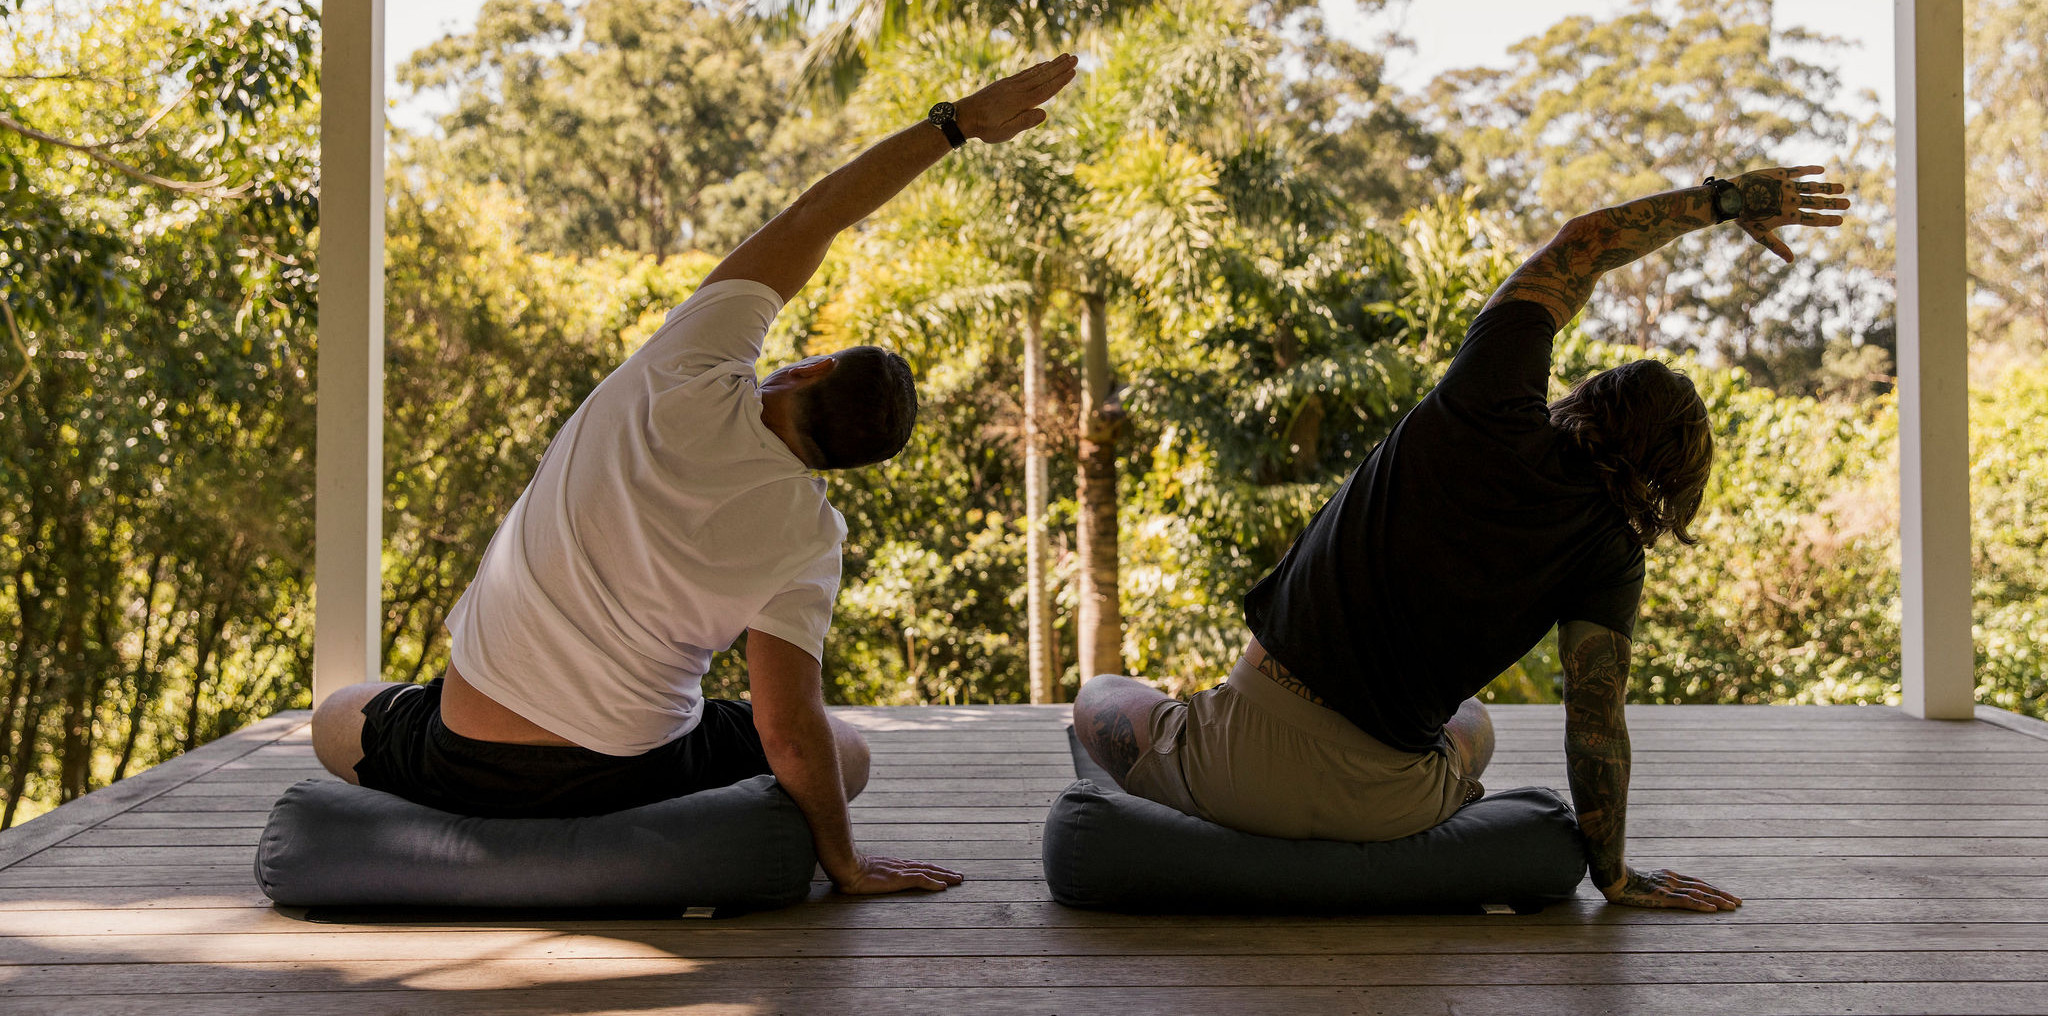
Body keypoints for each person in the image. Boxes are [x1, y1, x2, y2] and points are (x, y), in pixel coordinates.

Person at [312, 54, 1078, 897]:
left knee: (338, 716)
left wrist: (955, 123)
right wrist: (844, 862)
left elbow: (818, 215)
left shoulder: (684, 367)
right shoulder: (811, 534)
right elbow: (787, 730)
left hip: (467, 752)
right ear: (845, 463)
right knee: (845, 752)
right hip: (629, 774)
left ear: (810, 369)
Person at [1075, 166, 1850, 913]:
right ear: (1672, 476)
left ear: (1585, 398)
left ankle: (1189, 749)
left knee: (1100, 697)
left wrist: (1725, 201)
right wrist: (1613, 876)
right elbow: (1595, 726)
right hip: (1390, 804)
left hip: (1235, 766)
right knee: (1473, 722)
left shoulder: (1484, 403)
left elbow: (1581, 245)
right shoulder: (1612, 550)